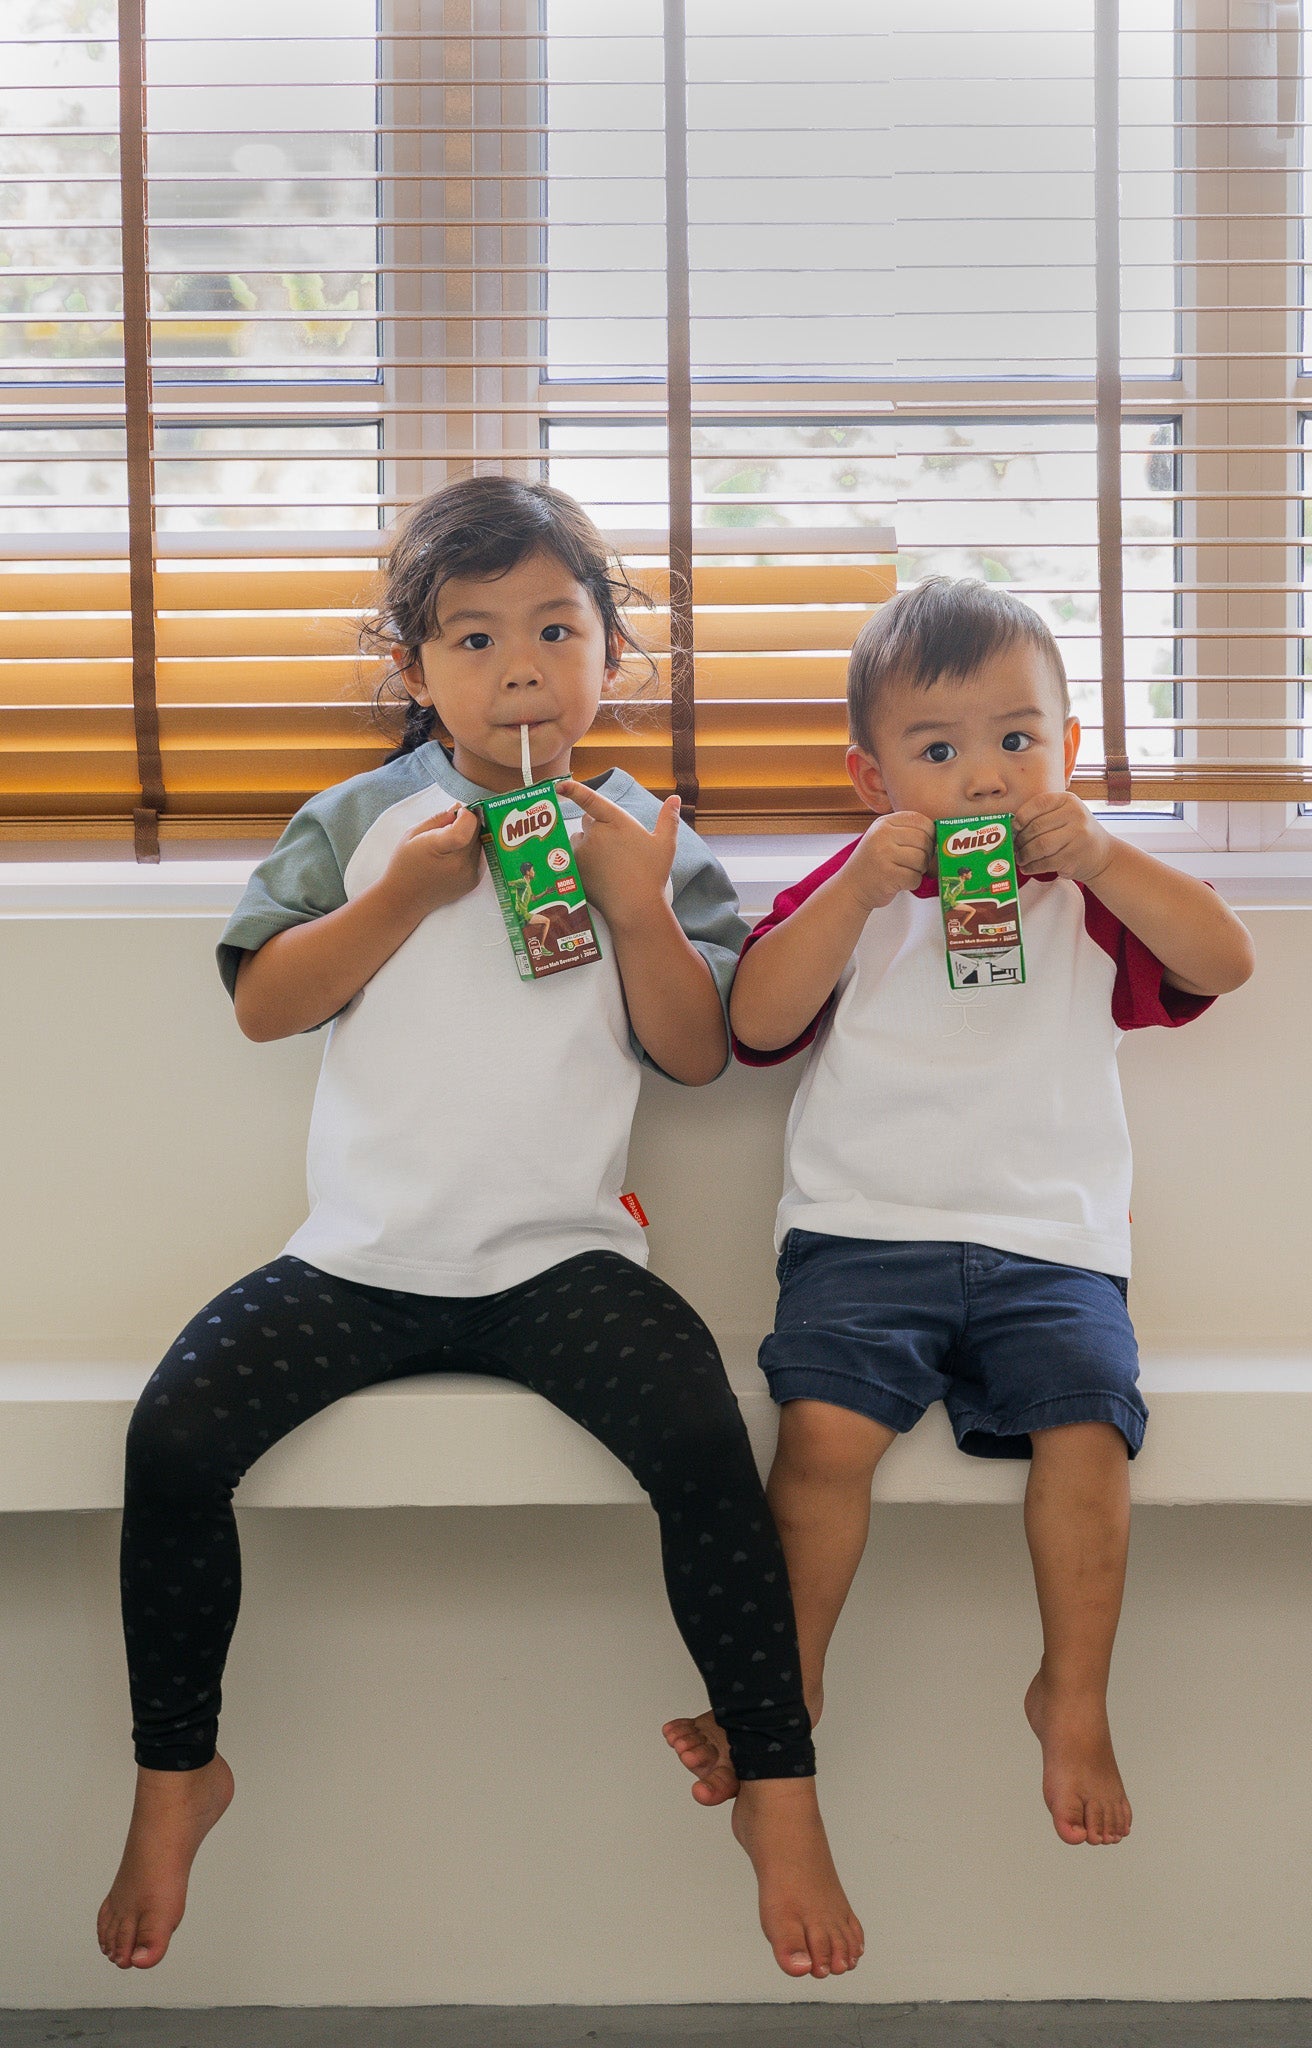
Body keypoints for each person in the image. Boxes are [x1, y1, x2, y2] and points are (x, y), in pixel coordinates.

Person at [97, 477, 862, 1980]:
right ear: (415, 671)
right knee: (171, 1440)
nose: (519, 665)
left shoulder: (646, 836)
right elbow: (265, 1004)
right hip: (359, 1261)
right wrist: (407, 890)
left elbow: (697, 1055)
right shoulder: (362, 820)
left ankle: (776, 1787)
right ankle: (179, 1768)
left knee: (709, 1448)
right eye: (473, 636)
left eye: (555, 628)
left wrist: (636, 904)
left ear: (608, 658)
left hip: (558, 1266)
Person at [664, 576, 1254, 1848]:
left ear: (1069, 745)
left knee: (1089, 1438)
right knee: (820, 1440)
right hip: (866, 1230)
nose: (986, 777)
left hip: (1054, 1246)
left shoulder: (1089, 893)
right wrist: (857, 889)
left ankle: (1073, 1696)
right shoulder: (855, 887)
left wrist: (1099, 849)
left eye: (1017, 738)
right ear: (874, 779)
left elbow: (1224, 960)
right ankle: (790, 1683)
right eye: (938, 750)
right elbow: (756, 1021)